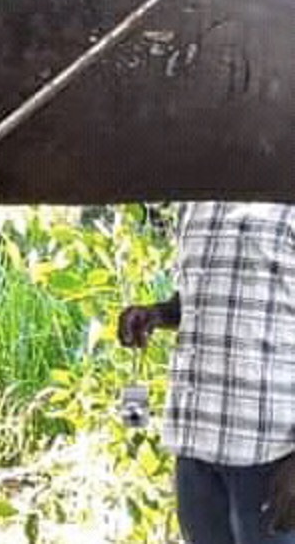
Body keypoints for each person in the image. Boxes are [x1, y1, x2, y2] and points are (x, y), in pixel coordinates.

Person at [118, 201, 295, 544]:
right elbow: (203, 296)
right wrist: (159, 313)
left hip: (271, 454)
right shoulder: (197, 200)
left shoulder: (285, 186)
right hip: (196, 449)